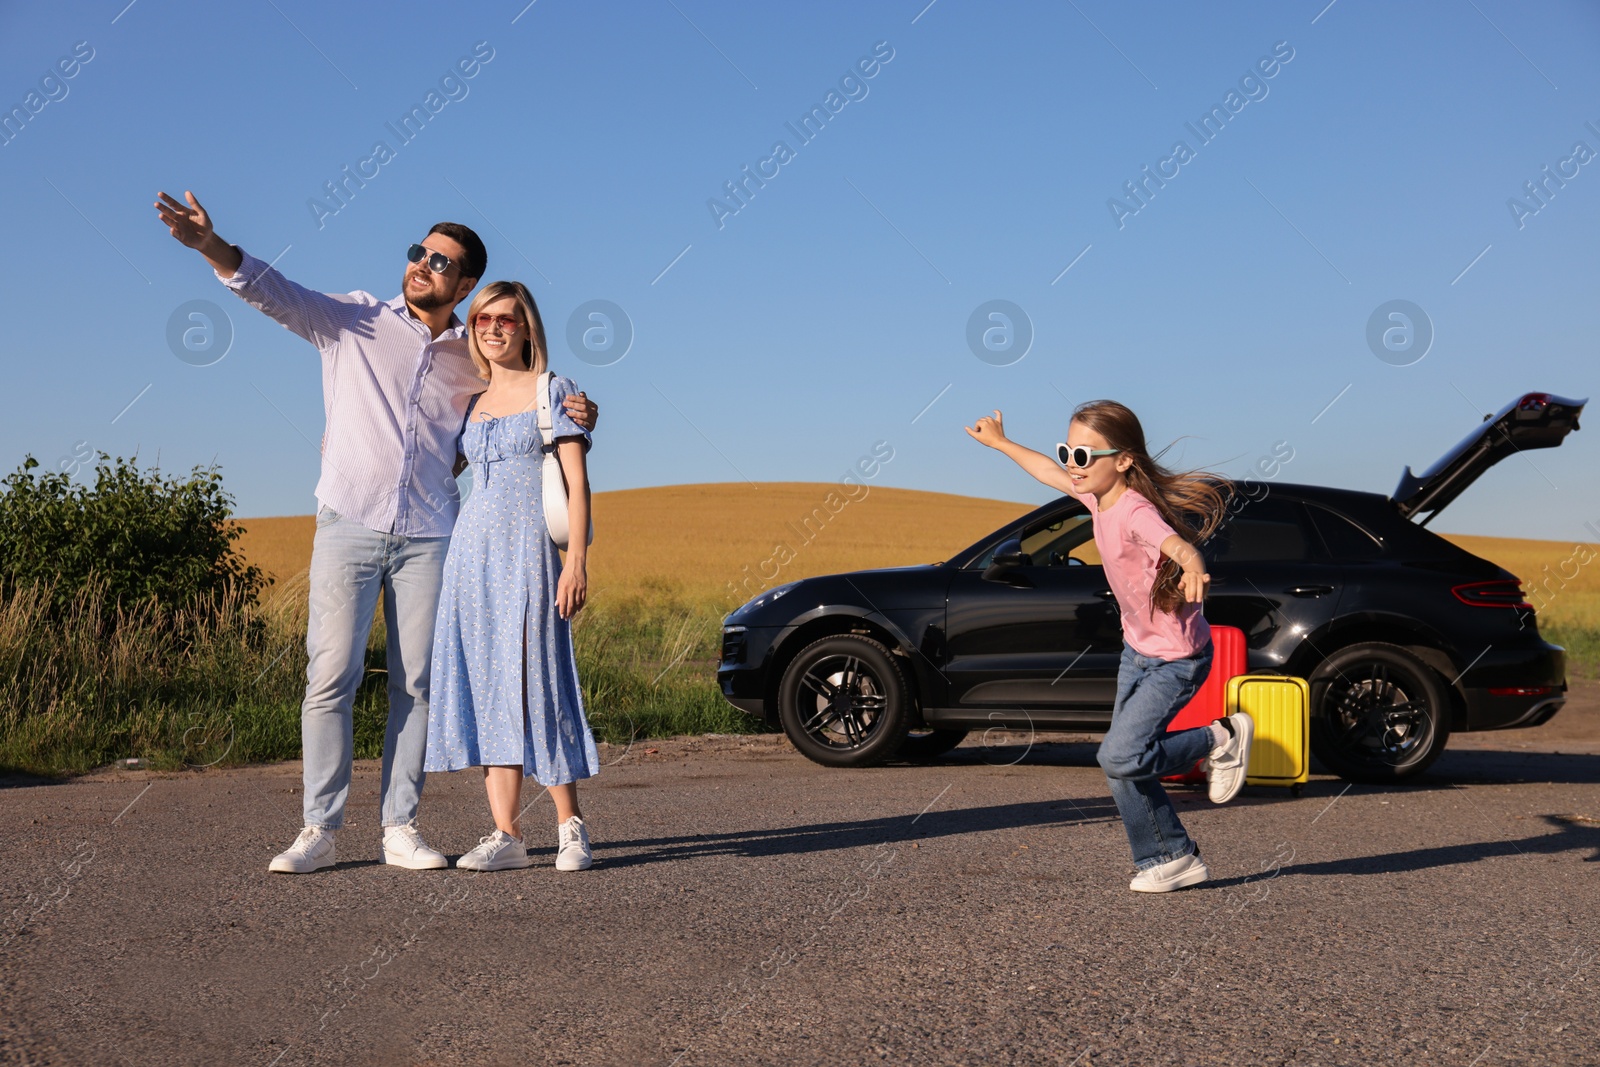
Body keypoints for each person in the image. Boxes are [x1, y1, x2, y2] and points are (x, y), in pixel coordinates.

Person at [153, 191, 597, 874]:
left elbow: (516, 420)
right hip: (349, 521)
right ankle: (318, 830)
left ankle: (400, 827)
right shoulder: (355, 318)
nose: (422, 265)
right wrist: (212, 246)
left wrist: (577, 413)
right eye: (418, 253)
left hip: (431, 535)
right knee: (330, 675)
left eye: (440, 261)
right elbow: (274, 293)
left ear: (465, 282)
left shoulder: (469, 357)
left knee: (417, 685)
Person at [965, 400, 1253, 893]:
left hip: (1176, 660)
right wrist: (1000, 443)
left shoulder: (1136, 511)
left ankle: (1221, 737)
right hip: (1137, 653)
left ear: (1123, 460)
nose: (1073, 467)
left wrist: (1191, 565)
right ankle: (1169, 857)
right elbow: (1044, 471)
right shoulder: (1098, 499)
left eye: (1085, 456)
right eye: (1069, 453)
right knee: (1124, 765)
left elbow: (1175, 544)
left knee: (1119, 756)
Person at [423, 280, 599, 873]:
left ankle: (570, 826)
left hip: (531, 554)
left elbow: (578, 483)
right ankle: (507, 834)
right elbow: (439, 466)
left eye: (505, 319)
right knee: (489, 685)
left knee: (539, 681)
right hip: (471, 559)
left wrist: (576, 559)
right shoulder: (469, 403)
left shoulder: (556, 391)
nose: (492, 328)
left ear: (527, 328)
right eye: (481, 320)